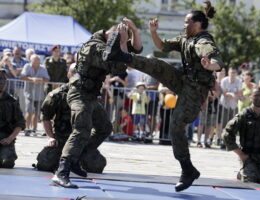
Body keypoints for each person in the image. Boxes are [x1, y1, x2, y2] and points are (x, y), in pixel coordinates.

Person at [103, 2, 223, 192]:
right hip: (183, 81)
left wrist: (209, 65)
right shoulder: (185, 38)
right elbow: (161, 45)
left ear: (198, 24)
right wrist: (153, 32)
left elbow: (216, 61)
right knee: (155, 64)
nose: (184, 25)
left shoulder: (203, 42)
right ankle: (123, 57)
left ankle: (188, 169)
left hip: (195, 91)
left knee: (176, 125)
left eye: (187, 22)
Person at [51, 18, 143, 188]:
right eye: (120, 38)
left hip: (91, 96)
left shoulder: (108, 43)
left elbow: (137, 48)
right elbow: (118, 68)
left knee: (104, 128)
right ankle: (61, 172)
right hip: (79, 93)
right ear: (112, 36)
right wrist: (122, 42)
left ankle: (77, 159)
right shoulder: (95, 46)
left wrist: (135, 31)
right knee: (81, 129)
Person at [36, 64, 106, 173]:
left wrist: (90, 144)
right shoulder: (57, 95)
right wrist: (50, 137)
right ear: (69, 75)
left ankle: (78, 159)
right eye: (74, 73)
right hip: (61, 140)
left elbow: (103, 126)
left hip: (81, 141)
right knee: (45, 164)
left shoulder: (90, 97)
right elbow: (45, 117)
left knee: (96, 166)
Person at [0, 69, 25, 168]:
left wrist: (10, 138)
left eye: (3, 79)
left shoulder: (12, 101)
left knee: (7, 162)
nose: (1, 82)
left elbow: (20, 123)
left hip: (5, 140)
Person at [21, 54, 50, 136]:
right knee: (29, 110)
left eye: (37, 60)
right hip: (29, 93)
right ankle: (27, 128)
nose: (36, 62)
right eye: (34, 60)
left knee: (36, 113)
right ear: (31, 60)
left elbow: (47, 78)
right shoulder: (27, 66)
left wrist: (39, 80)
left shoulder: (43, 68)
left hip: (39, 94)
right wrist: (31, 79)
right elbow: (22, 76)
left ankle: (34, 129)